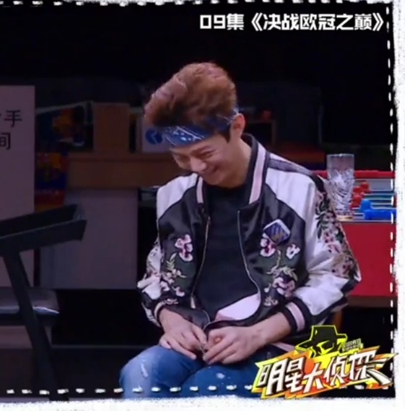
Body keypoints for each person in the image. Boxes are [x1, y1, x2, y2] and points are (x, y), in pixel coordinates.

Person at [119, 63, 361, 398]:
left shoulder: (299, 188)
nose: (196, 168)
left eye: (204, 153)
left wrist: (258, 334)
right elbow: (155, 276)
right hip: (199, 340)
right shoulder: (174, 196)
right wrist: (170, 319)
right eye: (181, 158)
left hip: (280, 343)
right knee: (140, 377)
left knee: (209, 390)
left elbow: (337, 276)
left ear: (237, 126)